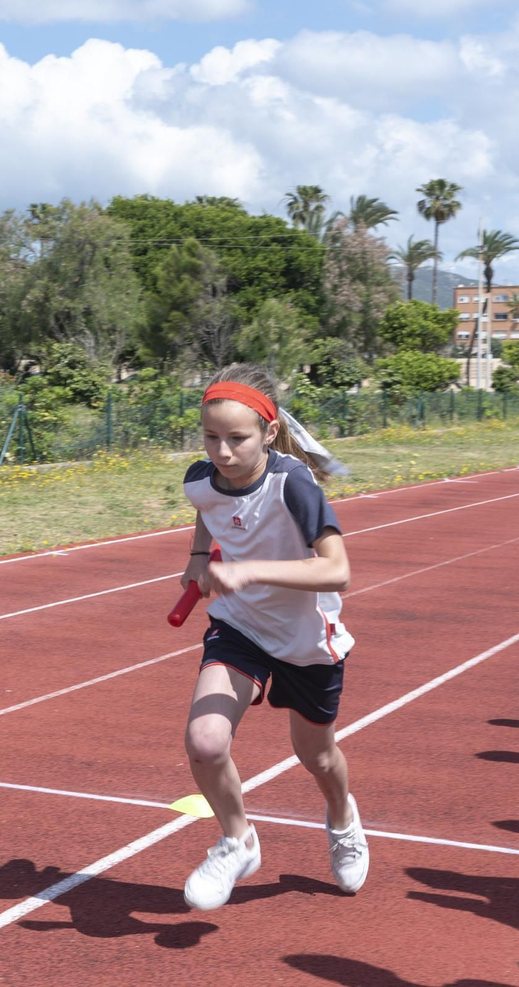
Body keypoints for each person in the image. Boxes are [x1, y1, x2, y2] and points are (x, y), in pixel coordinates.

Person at [179, 363, 369, 911]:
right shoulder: (199, 478)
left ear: (268, 432)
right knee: (205, 742)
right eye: (211, 437)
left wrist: (250, 570)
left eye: (237, 439)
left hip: (307, 639)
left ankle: (342, 819)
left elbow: (337, 571)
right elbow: (207, 510)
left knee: (316, 755)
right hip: (239, 627)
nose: (222, 452)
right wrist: (198, 560)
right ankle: (237, 841)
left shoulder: (295, 484)